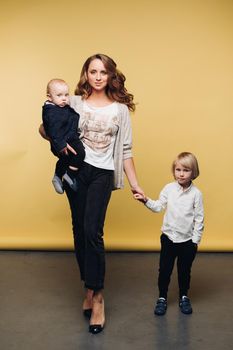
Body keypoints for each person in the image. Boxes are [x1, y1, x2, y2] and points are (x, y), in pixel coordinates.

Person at [39, 54, 145, 334]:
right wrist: (55, 138)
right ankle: (88, 285)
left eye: (104, 72)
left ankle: (97, 297)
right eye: (93, 71)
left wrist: (136, 184)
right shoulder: (72, 101)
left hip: (102, 173)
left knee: (92, 230)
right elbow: (47, 126)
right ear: (85, 74)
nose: (98, 77)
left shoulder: (120, 110)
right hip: (77, 170)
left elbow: (125, 151)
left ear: (111, 76)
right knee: (78, 229)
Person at [134, 152, 204, 316]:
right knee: (164, 270)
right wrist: (145, 200)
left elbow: (199, 218)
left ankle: (184, 296)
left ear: (193, 172)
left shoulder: (196, 194)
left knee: (184, 270)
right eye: (178, 169)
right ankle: (162, 297)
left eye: (186, 170)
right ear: (174, 171)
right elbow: (159, 207)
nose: (181, 173)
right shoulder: (169, 189)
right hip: (168, 238)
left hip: (187, 241)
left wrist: (195, 241)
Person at [42, 79, 85, 194]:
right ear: (49, 97)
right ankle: (70, 175)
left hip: (68, 138)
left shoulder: (60, 107)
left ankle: (57, 176)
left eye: (66, 95)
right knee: (79, 153)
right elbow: (51, 130)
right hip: (65, 140)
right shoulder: (52, 111)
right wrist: (61, 144)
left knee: (66, 159)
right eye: (59, 95)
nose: (64, 98)